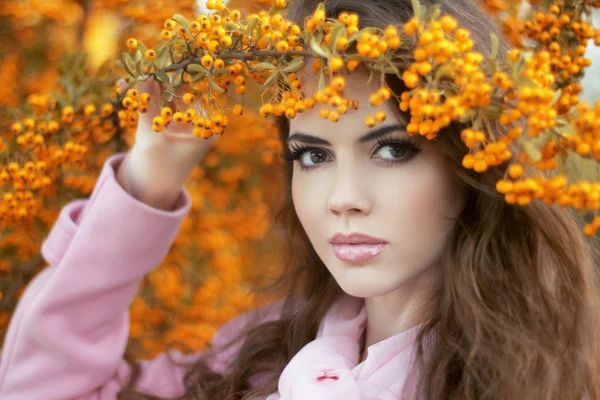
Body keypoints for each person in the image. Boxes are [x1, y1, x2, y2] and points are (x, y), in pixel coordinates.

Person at [1, 0, 599, 398]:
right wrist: (148, 178)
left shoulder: (544, 382)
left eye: (392, 149)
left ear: (475, 163)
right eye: (312, 154)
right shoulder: (258, 358)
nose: (342, 199)